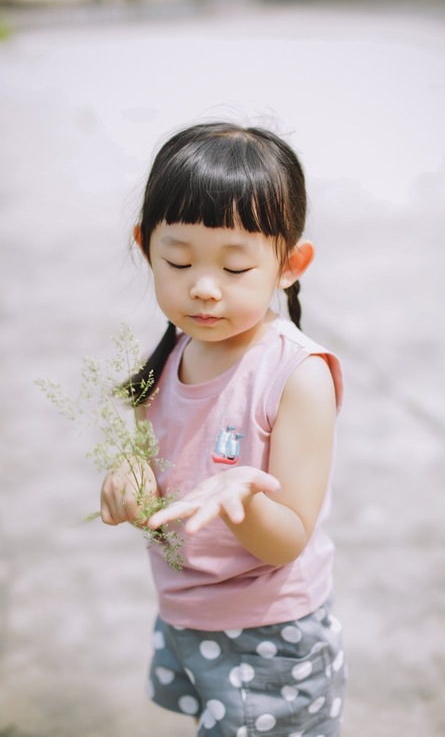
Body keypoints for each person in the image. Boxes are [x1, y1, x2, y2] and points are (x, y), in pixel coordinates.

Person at [100, 121, 347, 736]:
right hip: (187, 613)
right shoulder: (172, 352)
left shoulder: (296, 376)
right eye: (178, 260)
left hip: (268, 631)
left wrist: (239, 500)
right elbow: (151, 446)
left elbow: (287, 538)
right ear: (144, 245)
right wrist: (130, 472)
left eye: (236, 269)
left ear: (290, 264)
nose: (204, 288)